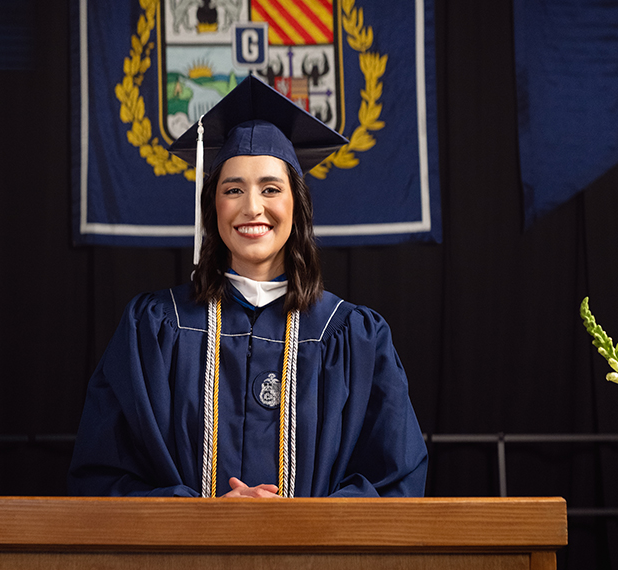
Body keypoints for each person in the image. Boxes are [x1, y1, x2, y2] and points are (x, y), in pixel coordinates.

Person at [68, 76, 428, 498]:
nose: (252, 207)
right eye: (233, 189)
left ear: (298, 206)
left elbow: (396, 481)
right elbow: (101, 477)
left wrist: (298, 525)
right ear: (213, 207)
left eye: (271, 189)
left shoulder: (353, 338)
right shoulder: (154, 329)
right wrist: (204, 517)